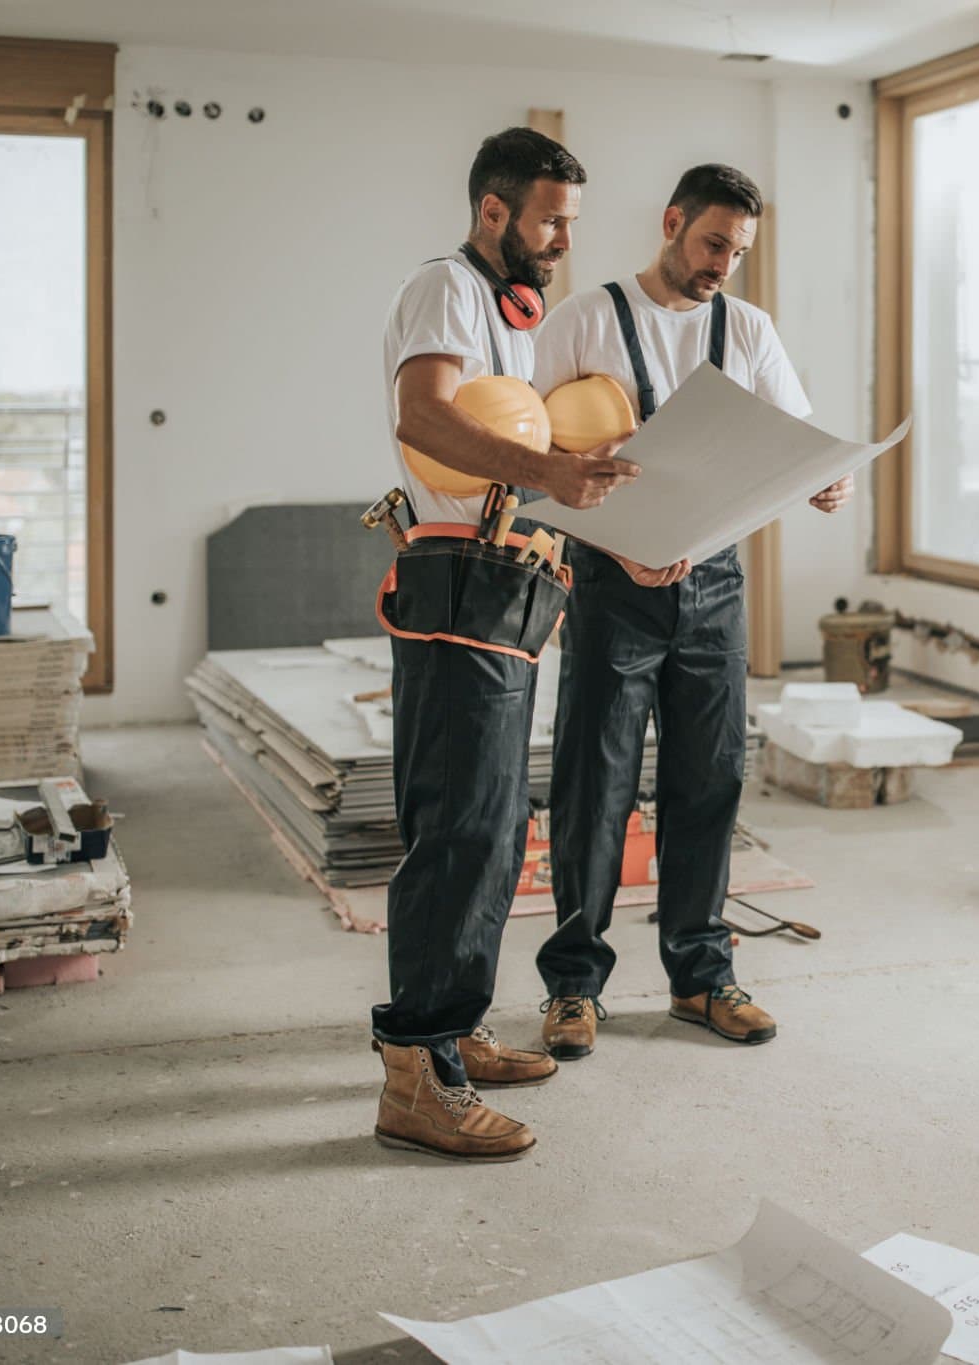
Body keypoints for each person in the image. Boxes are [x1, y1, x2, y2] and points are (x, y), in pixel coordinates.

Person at [531, 163, 852, 1057]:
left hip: (714, 588)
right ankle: (572, 986)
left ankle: (702, 977)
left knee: (708, 780)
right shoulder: (585, 319)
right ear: (672, 222)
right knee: (594, 784)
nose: (723, 264)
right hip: (610, 584)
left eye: (738, 252)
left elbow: (795, 439)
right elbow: (530, 453)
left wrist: (827, 479)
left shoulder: (746, 328)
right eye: (713, 243)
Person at [369, 127, 639, 1162]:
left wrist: (575, 465)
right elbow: (426, 418)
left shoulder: (506, 314)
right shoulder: (444, 285)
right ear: (495, 211)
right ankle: (416, 1073)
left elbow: (508, 436)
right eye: (551, 220)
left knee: (494, 828)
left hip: (509, 576)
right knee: (459, 830)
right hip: (457, 575)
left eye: (569, 220)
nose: (564, 239)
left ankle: (456, 1030)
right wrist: (553, 478)